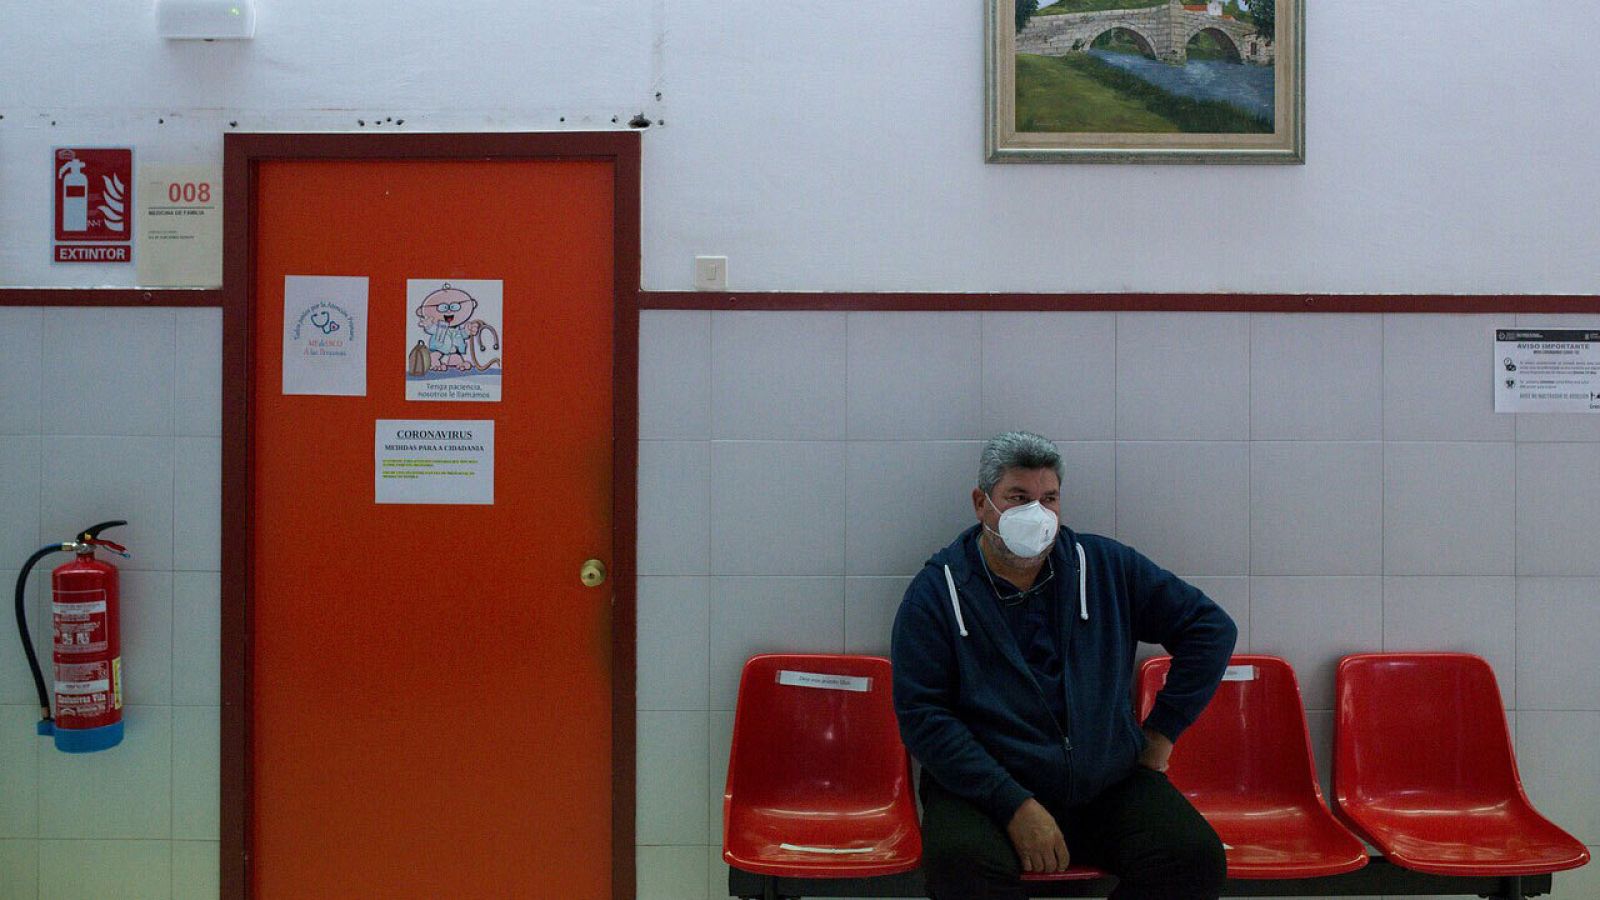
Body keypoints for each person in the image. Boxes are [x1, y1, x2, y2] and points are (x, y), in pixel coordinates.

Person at [891, 431, 1237, 900]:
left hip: (1104, 781)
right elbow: (923, 716)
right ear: (981, 503)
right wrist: (1012, 804)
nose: (1036, 513)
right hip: (986, 791)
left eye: (1048, 498)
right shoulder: (937, 593)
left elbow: (1209, 628)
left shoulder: (1105, 566)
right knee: (960, 869)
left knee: (1192, 858)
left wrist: (1161, 733)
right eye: (1018, 497)